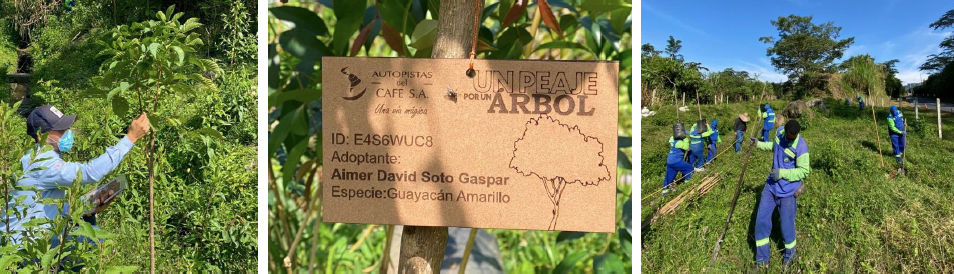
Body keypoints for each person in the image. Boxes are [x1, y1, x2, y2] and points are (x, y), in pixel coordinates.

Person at [3, 105, 150, 245]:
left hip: (31, 236)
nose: (67, 132)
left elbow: (46, 208)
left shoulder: (40, 157)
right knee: (94, 241)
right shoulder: (41, 161)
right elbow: (89, 172)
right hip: (25, 244)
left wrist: (88, 206)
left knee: (90, 230)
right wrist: (130, 138)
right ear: (41, 136)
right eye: (60, 130)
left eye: (66, 127)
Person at [749, 120, 810, 266]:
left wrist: (782, 173)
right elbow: (774, 146)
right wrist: (758, 144)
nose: (790, 138)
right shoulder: (779, 132)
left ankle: (789, 257)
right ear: (785, 131)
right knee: (761, 221)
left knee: (786, 225)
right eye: (788, 136)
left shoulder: (801, 146)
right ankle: (762, 260)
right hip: (771, 187)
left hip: (788, 191)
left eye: (793, 136)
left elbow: (804, 171)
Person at [663, 123, 693, 195]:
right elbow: (686, 147)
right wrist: (686, 139)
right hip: (676, 161)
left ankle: (665, 191)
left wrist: (685, 131)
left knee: (669, 175)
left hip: (670, 161)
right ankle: (687, 183)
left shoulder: (672, 139)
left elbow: (681, 132)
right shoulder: (678, 142)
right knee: (689, 168)